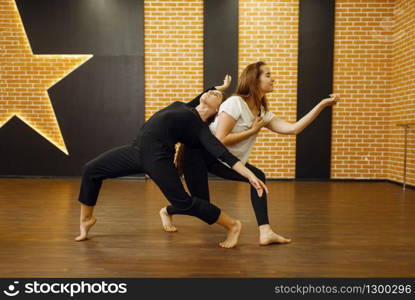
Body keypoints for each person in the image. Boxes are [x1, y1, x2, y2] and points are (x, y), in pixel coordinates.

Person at [74, 76, 268, 249]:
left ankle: (232, 225)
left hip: (158, 159)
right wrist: (220, 88)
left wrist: (250, 175)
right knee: (91, 170)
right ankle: (86, 219)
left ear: (217, 110)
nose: (213, 92)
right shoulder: (186, 106)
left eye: (218, 96)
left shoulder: (199, 127)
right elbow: (203, 96)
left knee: (183, 202)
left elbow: (222, 153)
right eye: (210, 92)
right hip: (136, 150)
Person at [161, 62, 339, 246]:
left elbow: (293, 129)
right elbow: (220, 140)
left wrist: (323, 105)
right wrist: (253, 130)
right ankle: (167, 211)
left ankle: (266, 232)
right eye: (268, 75)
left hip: (224, 160)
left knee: (258, 178)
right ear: (255, 80)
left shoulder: (263, 114)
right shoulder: (235, 103)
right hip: (199, 154)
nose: (273, 79)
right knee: (202, 205)